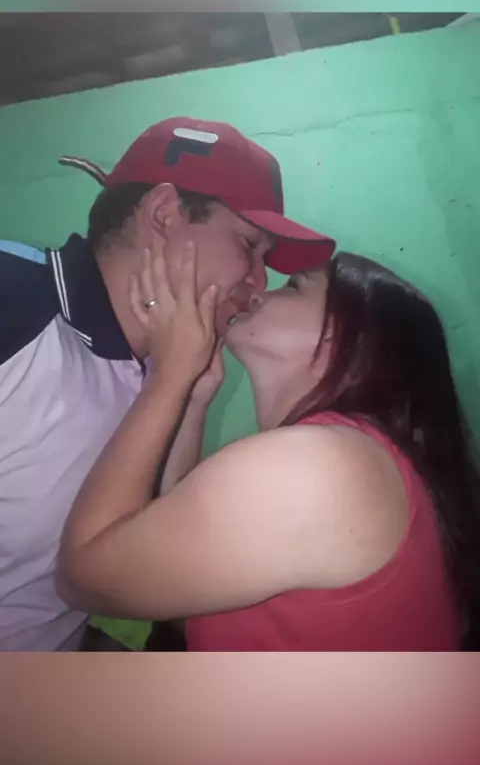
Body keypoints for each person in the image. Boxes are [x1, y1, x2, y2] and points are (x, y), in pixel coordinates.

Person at [0, 117, 335, 651]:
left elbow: (145, 553)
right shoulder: (13, 296)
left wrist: (187, 394)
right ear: (162, 215)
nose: (259, 281)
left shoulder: (161, 366)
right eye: (249, 245)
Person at [58, 239, 480, 652]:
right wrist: (193, 398)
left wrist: (171, 374)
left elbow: (82, 578)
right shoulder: (354, 460)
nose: (259, 291)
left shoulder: (320, 468)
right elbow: (176, 582)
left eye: (293, 286)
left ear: (346, 338)